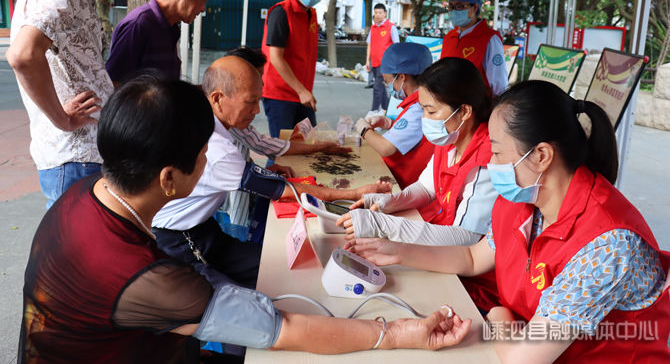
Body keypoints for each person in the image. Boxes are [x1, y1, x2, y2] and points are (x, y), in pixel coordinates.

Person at [18, 74, 472, 363]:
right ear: (170, 178)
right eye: (201, 157)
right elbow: (279, 329)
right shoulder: (148, 280)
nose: (209, 161)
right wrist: (395, 334)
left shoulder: (83, 193)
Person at [346, 80, 670, 363]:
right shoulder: (526, 199)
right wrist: (397, 252)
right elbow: (473, 257)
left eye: (498, 153)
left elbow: (522, 358)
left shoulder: (607, 244)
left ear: (542, 155)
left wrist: (499, 315)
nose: (491, 162)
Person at [151, 56, 392, 287]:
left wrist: (260, 171)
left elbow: (252, 157)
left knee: (271, 265)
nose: (257, 110)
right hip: (181, 239)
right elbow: (285, 190)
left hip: (204, 228)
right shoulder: (218, 148)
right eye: (250, 101)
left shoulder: (211, 118)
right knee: (264, 281)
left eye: (259, 100)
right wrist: (357, 192)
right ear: (217, 98)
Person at [343, 57, 500, 312]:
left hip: (471, 275)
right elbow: (427, 188)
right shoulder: (450, 139)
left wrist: (386, 227)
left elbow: (466, 240)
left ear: (464, 111)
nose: (425, 118)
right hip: (442, 248)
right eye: (423, 109)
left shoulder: (488, 158)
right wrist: (385, 203)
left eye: (431, 111)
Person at [6, 0, 130, 208]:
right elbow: (23, 55)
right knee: (75, 251)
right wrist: (62, 119)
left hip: (77, 159)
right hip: (77, 159)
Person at [221, 46, 353, 242]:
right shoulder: (226, 127)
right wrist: (353, 193)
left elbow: (258, 150)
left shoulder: (230, 120)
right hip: (226, 207)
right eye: (256, 76)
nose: (257, 111)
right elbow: (264, 151)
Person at [106, 0, 212, 83]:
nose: (203, 8)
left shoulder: (171, 27)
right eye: (204, 0)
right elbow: (112, 85)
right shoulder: (138, 24)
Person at [354, 42, 434, 190]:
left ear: (402, 77)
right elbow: (414, 132)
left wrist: (364, 130)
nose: (389, 86)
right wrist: (388, 123)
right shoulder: (422, 101)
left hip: (403, 184)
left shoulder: (418, 107)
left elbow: (386, 148)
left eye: (388, 81)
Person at [261, 0, 324, 137]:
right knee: (282, 151)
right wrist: (301, 90)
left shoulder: (312, 14)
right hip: (280, 95)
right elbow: (275, 57)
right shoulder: (281, 12)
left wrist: (304, 91)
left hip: (303, 94)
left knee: (308, 144)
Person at [440, 0, 507, 96]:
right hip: (449, 104)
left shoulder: (490, 39)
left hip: (478, 107)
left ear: (475, 8)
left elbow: (498, 84)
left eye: (460, 6)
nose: (453, 11)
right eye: (451, 6)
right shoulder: (449, 37)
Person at [365, 3, 399, 113]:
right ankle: (387, 109)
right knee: (382, 88)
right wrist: (367, 60)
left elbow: (396, 45)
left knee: (377, 87)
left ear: (385, 13)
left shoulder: (391, 27)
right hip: (374, 61)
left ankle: (374, 110)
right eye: (376, 13)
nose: (378, 15)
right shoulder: (373, 27)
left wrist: (394, 61)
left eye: (380, 13)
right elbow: (369, 44)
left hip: (385, 63)